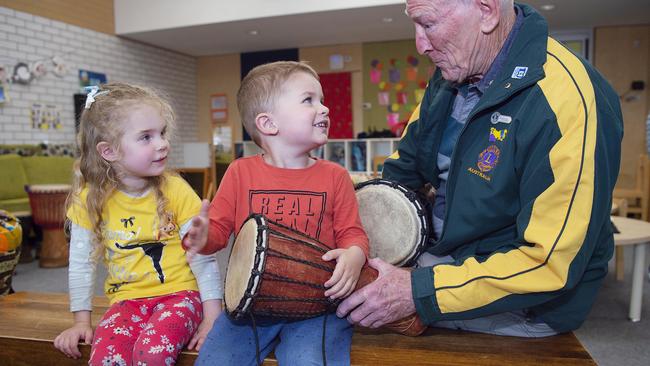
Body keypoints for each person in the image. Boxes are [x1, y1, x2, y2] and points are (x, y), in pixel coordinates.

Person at [338, 0, 623, 337]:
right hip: (441, 261)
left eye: (428, 24)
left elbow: (550, 265)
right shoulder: (448, 76)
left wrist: (417, 291)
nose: (420, 44)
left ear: (486, 11)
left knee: (348, 323)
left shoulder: (568, 100)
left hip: (525, 301)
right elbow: (401, 172)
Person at [186, 61, 369, 365]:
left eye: (321, 100)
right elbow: (217, 232)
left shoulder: (336, 176)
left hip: (318, 307)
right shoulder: (239, 172)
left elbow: (352, 232)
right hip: (249, 310)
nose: (324, 108)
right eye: (308, 100)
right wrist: (203, 237)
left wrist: (354, 254)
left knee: (310, 361)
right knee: (216, 361)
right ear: (268, 124)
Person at [53, 82, 223, 365]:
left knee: (151, 355)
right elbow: (82, 263)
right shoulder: (88, 199)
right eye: (146, 137)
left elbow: (203, 259)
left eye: (162, 133)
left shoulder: (176, 189)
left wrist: (212, 317)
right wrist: (81, 321)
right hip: (125, 302)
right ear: (109, 151)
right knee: (105, 359)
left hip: (180, 296)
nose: (162, 143)